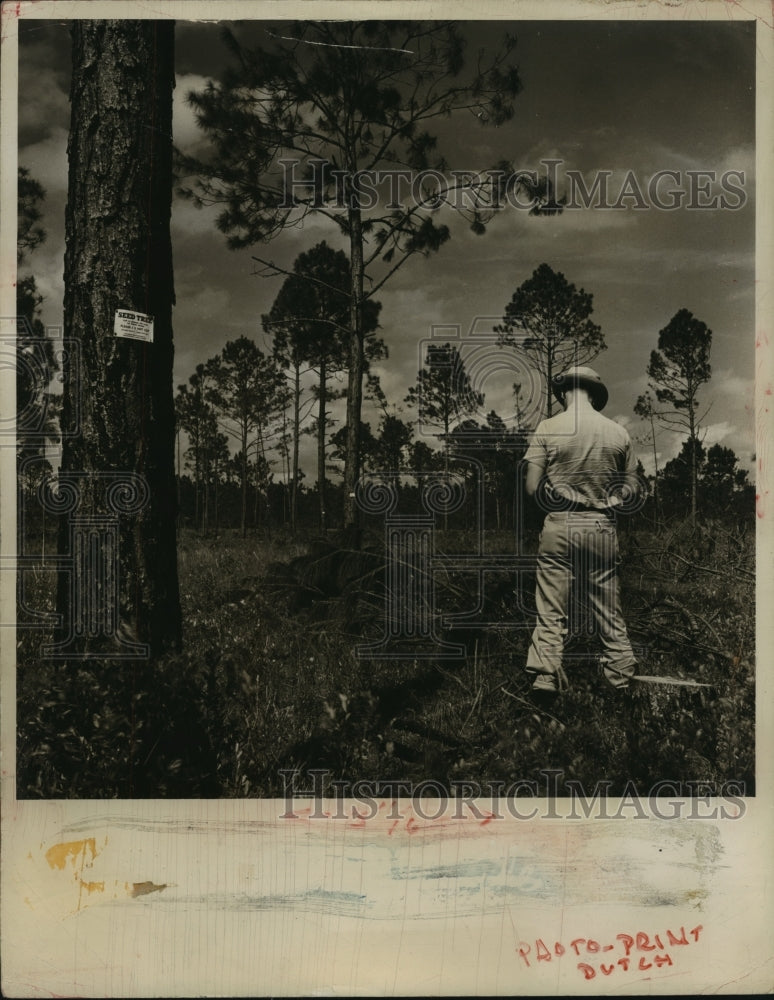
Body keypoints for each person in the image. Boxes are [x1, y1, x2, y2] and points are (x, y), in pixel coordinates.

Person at [522, 366, 641, 702]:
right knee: (608, 607)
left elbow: (532, 487)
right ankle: (619, 679)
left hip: (559, 524)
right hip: (601, 524)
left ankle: (546, 677)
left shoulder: (548, 427)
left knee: (550, 606)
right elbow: (632, 486)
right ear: (594, 394)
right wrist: (611, 498)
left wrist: (559, 496)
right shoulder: (618, 432)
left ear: (564, 393)